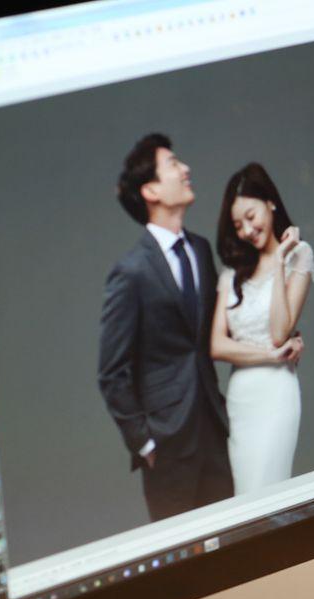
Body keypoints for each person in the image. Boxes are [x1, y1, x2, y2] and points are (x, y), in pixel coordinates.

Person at [100, 133, 238, 521]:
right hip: (167, 443)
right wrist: (145, 444)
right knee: (184, 567)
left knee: (233, 546)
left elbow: (216, 332)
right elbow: (111, 373)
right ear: (151, 190)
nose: (186, 169)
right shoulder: (131, 272)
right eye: (174, 164)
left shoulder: (199, 249)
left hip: (213, 426)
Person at [212, 163, 314, 496]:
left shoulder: (299, 256)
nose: (245, 230)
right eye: (238, 224)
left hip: (276, 396)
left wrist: (278, 260)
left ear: (270, 202)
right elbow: (216, 345)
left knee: (268, 494)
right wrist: (271, 357)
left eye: (250, 217)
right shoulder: (232, 274)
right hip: (241, 399)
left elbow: (278, 333)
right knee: (243, 499)